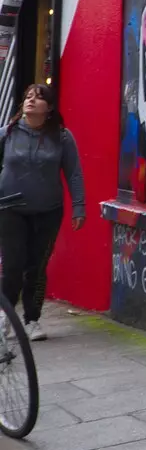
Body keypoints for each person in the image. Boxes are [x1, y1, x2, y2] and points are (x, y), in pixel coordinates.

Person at [0, 83, 85, 340]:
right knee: (13, 265)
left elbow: (74, 174)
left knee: (36, 267)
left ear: (48, 108)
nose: (31, 101)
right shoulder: (8, 133)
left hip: (48, 211)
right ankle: (6, 318)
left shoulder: (62, 137)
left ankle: (32, 320)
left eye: (38, 99)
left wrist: (79, 206)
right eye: (28, 97)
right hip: (9, 208)